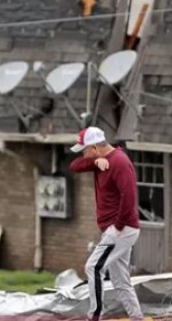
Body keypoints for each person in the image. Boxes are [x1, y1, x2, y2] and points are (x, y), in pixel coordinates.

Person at [69, 126, 143, 321]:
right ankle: (137, 317)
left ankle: (94, 316)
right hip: (118, 229)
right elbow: (74, 166)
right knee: (120, 280)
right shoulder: (99, 160)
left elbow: (129, 197)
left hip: (122, 228)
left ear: (94, 147)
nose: (83, 155)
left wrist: (117, 228)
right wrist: (95, 161)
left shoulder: (119, 162)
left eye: (85, 151)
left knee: (93, 267)